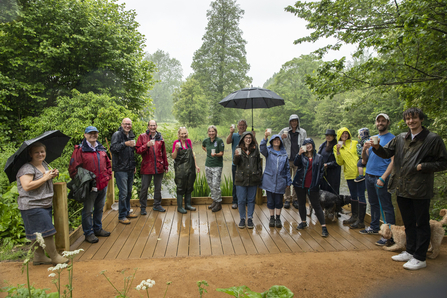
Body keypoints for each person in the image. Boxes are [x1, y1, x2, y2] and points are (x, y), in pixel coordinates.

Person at [372, 108, 447, 270]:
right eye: (408, 119)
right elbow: (386, 154)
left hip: (420, 189)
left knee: (421, 223)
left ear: (421, 119)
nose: (410, 121)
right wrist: (376, 147)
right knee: (409, 223)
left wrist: (423, 166)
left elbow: (443, 162)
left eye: (414, 118)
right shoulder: (400, 138)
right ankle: (410, 251)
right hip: (402, 187)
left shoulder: (432, 139)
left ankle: (420, 257)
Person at [17, 142, 69, 265]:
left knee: (37, 232)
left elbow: (41, 181)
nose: (40, 154)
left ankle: (39, 256)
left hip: (44, 203)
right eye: (37, 152)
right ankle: (55, 256)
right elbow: (27, 186)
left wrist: (51, 175)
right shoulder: (26, 168)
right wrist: (45, 178)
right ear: (30, 154)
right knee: (47, 231)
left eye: (42, 151)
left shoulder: (44, 165)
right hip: (32, 205)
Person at [69, 126, 112, 243]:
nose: (93, 135)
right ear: (85, 135)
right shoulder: (80, 150)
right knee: (88, 211)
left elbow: (108, 164)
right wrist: (84, 182)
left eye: (95, 133)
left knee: (99, 208)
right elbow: (73, 170)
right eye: (90, 133)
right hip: (89, 187)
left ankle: (98, 229)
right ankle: (88, 233)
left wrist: (108, 177)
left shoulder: (101, 148)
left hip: (102, 184)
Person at [361, 113, 396, 245]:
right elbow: (364, 161)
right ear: (376, 123)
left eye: (383, 121)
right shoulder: (372, 139)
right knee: (373, 203)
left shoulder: (392, 139)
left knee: (386, 206)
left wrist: (384, 177)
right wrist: (364, 149)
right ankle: (375, 227)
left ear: (388, 122)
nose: (380, 123)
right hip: (369, 175)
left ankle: (390, 235)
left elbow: (393, 161)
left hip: (381, 177)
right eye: (378, 121)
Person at [293, 138, 329, 237]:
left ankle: (324, 227)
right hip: (299, 184)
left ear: (313, 145)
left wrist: (317, 182)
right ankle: (303, 222)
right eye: (306, 144)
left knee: (316, 205)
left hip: (313, 185)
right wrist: (299, 154)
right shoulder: (302, 157)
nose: (308, 146)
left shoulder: (319, 157)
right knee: (301, 203)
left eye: (310, 144)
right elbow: (296, 163)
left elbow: (321, 172)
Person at [334, 127, 367, 229]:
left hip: (360, 173)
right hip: (349, 174)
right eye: (342, 134)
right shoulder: (336, 147)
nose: (344, 135)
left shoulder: (355, 142)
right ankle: (354, 216)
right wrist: (338, 151)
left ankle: (361, 220)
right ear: (339, 135)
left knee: (361, 195)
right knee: (353, 196)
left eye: (346, 133)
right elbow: (339, 163)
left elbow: (363, 155)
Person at [260, 131, 292, 228]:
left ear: (281, 142)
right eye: (275, 140)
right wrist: (265, 137)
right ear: (272, 141)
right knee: (270, 201)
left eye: (278, 140)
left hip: (281, 181)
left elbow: (287, 168)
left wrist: (288, 181)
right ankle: (271, 217)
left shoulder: (284, 153)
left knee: (278, 201)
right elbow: (262, 148)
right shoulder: (268, 151)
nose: (277, 141)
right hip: (269, 180)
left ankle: (278, 218)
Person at [136, 120, 168, 213]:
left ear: (156, 126)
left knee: (158, 188)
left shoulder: (160, 138)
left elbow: (164, 153)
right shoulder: (142, 137)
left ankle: (157, 205)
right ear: (148, 126)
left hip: (159, 166)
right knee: (144, 188)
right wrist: (146, 145)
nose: (153, 127)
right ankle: (143, 207)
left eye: (154, 125)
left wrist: (166, 165)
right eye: (151, 125)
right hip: (147, 167)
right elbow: (138, 150)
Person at [110, 118, 138, 225]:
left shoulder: (131, 135)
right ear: (122, 124)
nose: (128, 126)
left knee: (129, 192)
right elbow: (113, 148)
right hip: (120, 168)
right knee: (123, 193)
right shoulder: (117, 135)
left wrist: (133, 165)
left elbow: (131, 153)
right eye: (126, 124)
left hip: (129, 168)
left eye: (129, 124)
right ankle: (121, 216)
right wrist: (125, 144)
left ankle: (127, 212)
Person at [233, 131, 262, 229]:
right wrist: (237, 156)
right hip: (241, 178)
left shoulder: (255, 148)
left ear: (252, 139)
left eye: (250, 137)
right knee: (241, 200)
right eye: (246, 137)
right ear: (243, 139)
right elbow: (235, 163)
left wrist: (259, 175)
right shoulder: (238, 148)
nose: (248, 139)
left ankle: (250, 218)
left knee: (251, 200)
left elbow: (258, 163)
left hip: (253, 178)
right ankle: (242, 218)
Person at [279, 114, 307, 209]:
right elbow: (275, 141)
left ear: (298, 122)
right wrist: (281, 137)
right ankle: (287, 199)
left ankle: (295, 199)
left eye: (295, 121)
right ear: (289, 122)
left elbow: (306, 144)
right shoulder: (284, 131)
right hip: (287, 159)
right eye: (292, 121)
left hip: (298, 160)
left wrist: (305, 156)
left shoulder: (303, 132)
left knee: (296, 181)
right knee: (287, 180)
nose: (294, 123)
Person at [172, 127, 200, 214]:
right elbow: (173, 157)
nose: (184, 135)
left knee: (189, 185)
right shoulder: (176, 143)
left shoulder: (189, 142)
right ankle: (180, 207)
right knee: (180, 187)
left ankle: (187, 205)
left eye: (185, 133)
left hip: (190, 167)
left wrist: (196, 165)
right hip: (180, 169)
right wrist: (176, 149)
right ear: (179, 135)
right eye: (182, 134)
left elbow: (192, 154)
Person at [202, 125, 225, 212]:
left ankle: (219, 203)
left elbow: (221, 153)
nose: (211, 133)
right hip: (208, 165)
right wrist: (207, 151)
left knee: (216, 184)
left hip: (217, 165)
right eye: (210, 131)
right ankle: (214, 201)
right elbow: (203, 146)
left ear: (215, 132)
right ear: (208, 132)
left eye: (213, 131)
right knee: (210, 184)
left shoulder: (219, 141)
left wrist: (215, 154)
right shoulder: (206, 140)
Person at [226, 120, 248, 209]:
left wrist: (253, 136)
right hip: (235, 164)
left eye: (243, 125)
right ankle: (235, 201)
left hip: (246, 164)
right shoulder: (235, 135)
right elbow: (227, 141)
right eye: (240, 125)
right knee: (235, 182)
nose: (242, 127)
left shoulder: (248, 136)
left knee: (245, 182)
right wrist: (231, 133)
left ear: (246, 126)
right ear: (238, 126)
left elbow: (255, 146)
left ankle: (244, 200)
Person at [317, 129, 341, 195]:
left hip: (333, 173)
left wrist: (327, 165)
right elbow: (318, 156)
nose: (328, 137)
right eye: (327, 135)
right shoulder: (322, 145)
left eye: (331, 135)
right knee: (323, 189)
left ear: (334, 137)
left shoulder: (337, 146)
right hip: (323, 172)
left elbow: (339, 161)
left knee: (332, 190)